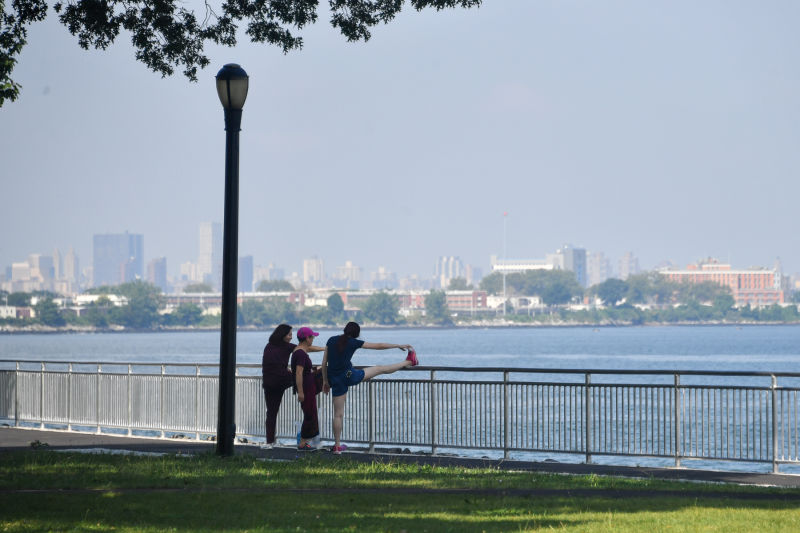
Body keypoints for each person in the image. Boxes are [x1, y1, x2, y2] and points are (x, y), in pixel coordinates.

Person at [322, 321, 419, 454]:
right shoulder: (354, 342)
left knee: (338, 415)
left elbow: (324, 363)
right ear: (357, 334)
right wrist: (397, 345)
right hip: (349, 376)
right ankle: (409, 361)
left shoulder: (331, 340)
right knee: (380, 369)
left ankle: (337, 446)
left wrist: (326, 382)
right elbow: (378, 346)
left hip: (335, 379)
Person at [261, 323, 323, 449]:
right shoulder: (286, 346)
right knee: (308, 376)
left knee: (271, 413)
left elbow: (272, 364)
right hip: (282, 378)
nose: (291, 337)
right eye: (289, 335)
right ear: (282, 335)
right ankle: (313, 387)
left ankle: (269, 442)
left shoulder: (269, 346)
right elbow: (305, 348)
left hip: (269, 382)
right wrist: (324, 349)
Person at [291, 326, 324, 451]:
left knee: (311, 413)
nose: (314, 339)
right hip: (305, 388)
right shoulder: (300, 353)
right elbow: (298, 373)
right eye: (312, 337)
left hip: (308, 386)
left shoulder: (300, 350)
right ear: (307, 338)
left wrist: (325, 349)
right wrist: (300, 392)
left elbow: (303, 370)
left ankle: (306, 442)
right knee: (309, 414)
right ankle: (303, 444)